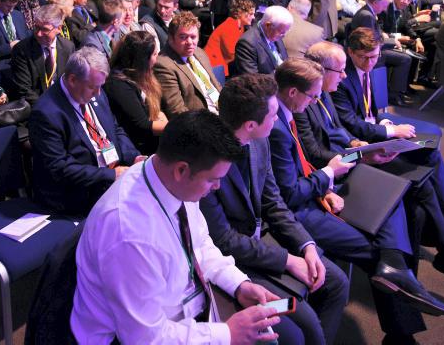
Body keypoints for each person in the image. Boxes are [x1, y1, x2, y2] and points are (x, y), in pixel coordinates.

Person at [71, 110, 285, 344]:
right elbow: (145, 338)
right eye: (212, 179)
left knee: (282, 334)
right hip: (139, 336)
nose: (217, 187)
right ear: (181, 170)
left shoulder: (170, 181)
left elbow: (200, 244)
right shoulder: (129, 234)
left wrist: (237, 284)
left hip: (187, 310)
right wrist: (227, 334)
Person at [269, 59, 444, 319]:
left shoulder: (305, 104)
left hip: (324, 182)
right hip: (303, 205)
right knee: (383, 253)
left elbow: (315, 153)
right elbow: (305, 169)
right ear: (292, 92)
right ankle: (403, 297)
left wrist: (352, 155)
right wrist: (332, 173)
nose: (315, 100)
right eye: (312, 96)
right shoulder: (282, 122)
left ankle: (408, 272)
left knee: (393, 200)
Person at [333, 28, 444, 280]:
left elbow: (367, 114)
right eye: (363, 58)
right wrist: (387, 133)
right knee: (423, 182)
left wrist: (385, 124)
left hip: (372, 136)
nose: (369, 63)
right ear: (350, 52)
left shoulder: (365, 68)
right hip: (362, 147)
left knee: (431, 150)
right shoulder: (339, 80)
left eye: (374, 57)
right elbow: (348, 126)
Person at [202, 74, 350, 345]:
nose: (277, 120)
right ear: (250, 125)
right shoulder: (207, 162)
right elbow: (224, 240)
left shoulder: (259, 140)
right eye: (272, 115)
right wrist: (288, 260)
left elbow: (273, 202)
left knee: (336, 282)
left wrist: (306, 246)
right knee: (306, 327)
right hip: (234, 258)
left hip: (264, 239)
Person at [28, 47, 141, 217]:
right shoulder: (46, 114)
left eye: (100, 86)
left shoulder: (95, 91)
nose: (98, 93)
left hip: (110, 180)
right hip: (79, 194)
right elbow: (59, 168)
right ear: (73, 80)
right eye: (92, 87)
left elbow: (114, 129)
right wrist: (110, 175)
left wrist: (133, 157)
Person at [345, 0, 414, 106]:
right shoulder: (366, 15)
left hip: (369, 49)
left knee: (403, 55)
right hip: (366, 53)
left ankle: (396, 92)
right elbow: (369, 43)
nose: (385, 9)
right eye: (384, 5)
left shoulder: (367, 12)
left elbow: (375, 35)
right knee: (404, 59)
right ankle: (394, 95)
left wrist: (389, 38)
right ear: (376, 3)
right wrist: (392, 42)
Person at [104, 31, 168, 155]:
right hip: (137, 148)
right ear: (143, 60)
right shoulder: (118, 85)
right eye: (155, 54)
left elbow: (156, 109)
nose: (157, 59)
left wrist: (163, 119)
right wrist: (174, 127)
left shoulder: (141, 75)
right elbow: (142, 126)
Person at [154, 11, 222, 116]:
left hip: (222, 111)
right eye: (183, 37)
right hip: (201, 120)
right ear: (171, 38)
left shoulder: (200, 52)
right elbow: (177, 110)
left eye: (193, 37)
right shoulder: (163, 65)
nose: (190, 42)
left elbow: (215, 85)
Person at [10, 4, 75, 107]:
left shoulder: (68, 47)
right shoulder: (22, 50)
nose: (39, 34)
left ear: (59, 28)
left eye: (45, 29)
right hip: (37, 105)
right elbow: (23, 90)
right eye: (36, 27)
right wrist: (48, 107)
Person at [234, 5, 292, 75]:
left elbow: (285, 61)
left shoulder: (274, 32)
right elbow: (252, 78)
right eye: (281, 32)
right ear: (268, 25)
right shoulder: (247, 43)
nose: (283, 36)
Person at [205, 0, 255, 76]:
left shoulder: (240, 27)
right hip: (214, 67)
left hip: (224, 65)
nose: (253, 17)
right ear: (240, 13)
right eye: (251, 14)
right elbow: (231, 54)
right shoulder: (229, 27)